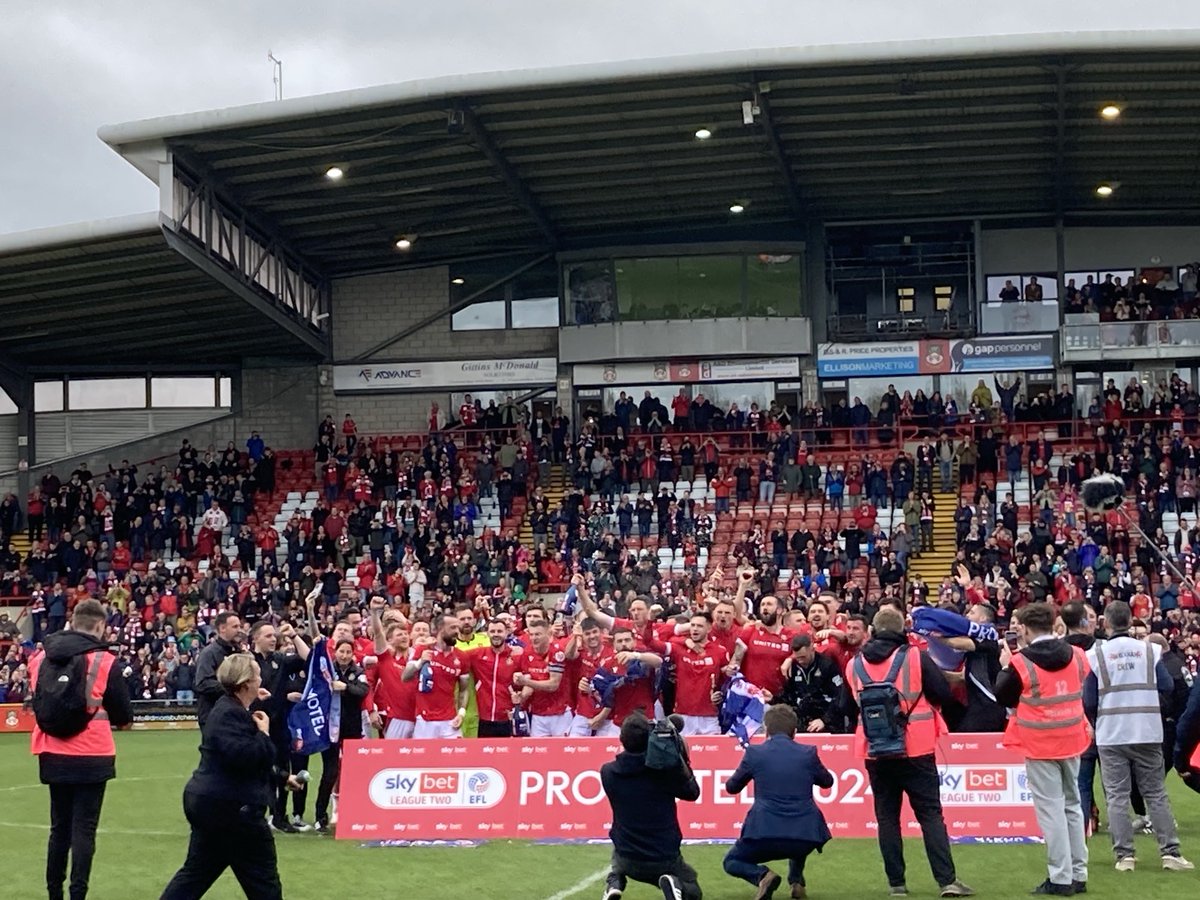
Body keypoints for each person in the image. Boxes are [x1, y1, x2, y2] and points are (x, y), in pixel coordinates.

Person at [844, 607, 974, 898]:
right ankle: (947, 881)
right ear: (903, 629)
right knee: (930, 816)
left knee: (887, 818)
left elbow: (847, 706)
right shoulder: (915, 656)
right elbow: (942, 692)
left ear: (873, 630)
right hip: (917, 746)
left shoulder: (854, 664)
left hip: (875, 749)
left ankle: (897, 884)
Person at [159, 654, 305, 899]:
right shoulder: (230, 713)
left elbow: (239, 759)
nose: (261, 679)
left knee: (195, 875)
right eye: (257, 675)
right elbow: (248, 755)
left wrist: (281, 777)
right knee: (264, 883)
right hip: (233, 809)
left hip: (213, 804)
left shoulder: (232, 709)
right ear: (247, 682)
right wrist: (264, 734)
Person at [30, 598, 133, 900]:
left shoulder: (39, 658)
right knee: (84, 830)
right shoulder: (104, 661)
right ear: (100, 626)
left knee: (58, 828)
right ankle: (78, 894)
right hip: (92, 753)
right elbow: (124, 717)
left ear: (73, 621)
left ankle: (54, 894)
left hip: (52, 750)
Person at [1083, 600, 1193, 872]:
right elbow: (1167, 685)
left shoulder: (1096, 654)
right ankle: (1170, 853)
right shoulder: (1149, 650)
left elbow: (1088, 700)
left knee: (1117, 796)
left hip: (1111, 734)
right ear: (1131, 621)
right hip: (1146, 729)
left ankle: (1125, 857)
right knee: (1155, 793)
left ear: (1105, 623)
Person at [994, 603, 1091, 896]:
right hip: (1073, 738)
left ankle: (1060, 877)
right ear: (1054, 624)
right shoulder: (1077, 655)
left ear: (1023, 628)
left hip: (1040, 743)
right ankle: (1078, 872)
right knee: (1073, 805)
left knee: (1051, 811)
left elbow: (1003, 696)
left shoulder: (1021, 663)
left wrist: (1003, 665)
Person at [722, 705, 834, 899]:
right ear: (795, 731)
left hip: (764, 833)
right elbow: (827, 782)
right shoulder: (808, 753)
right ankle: (796, 880)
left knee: (731, 862)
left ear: (766, 730)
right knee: (796, 835)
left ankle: (763, 876)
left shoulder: (755, 753)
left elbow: (732, 787)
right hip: (805, 834)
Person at [600, 713, 702, 900]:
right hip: (664, 856)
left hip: (626, 855)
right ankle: (674, 884)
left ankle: (614, 881)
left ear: (621, 739)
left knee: (617, 845)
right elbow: (693, 792)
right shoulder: (664, 773)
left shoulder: (608, 772)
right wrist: (680, 759)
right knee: (693, 891)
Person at [314, 639, 368, 833]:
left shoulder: (358, 672)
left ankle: (353, 814)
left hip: (352, 730)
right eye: (341, 651)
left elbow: (363, 691)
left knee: (353, 774)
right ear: (334, 652)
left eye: (348, 652)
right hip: (330, 731)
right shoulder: (327, 669)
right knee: (330, 773)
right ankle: (321, 816)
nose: (344, 655)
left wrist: (344, 687)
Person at [194, 612, 244, 732]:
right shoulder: (209, 653)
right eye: (235, 627)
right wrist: (234, 688)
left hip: (235, 715)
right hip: (213, 716)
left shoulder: (240, 653)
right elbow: (202, 684)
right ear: (222, 628)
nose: (239, 630)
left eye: (239, 626)